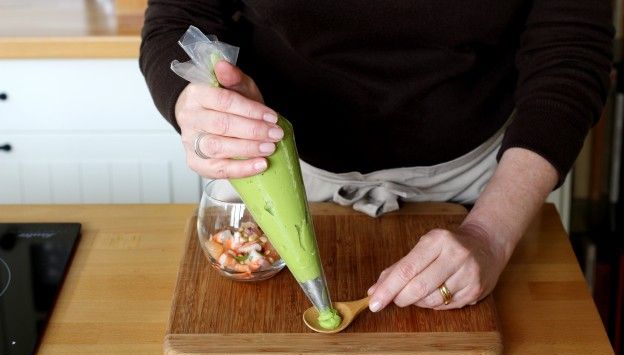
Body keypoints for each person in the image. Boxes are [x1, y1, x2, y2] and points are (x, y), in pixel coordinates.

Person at [139, 1, 614, 313]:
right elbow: (181, 16)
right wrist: (192, 101)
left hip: (482, 182)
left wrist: (489, 234)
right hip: (270, 169)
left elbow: (571, 52)